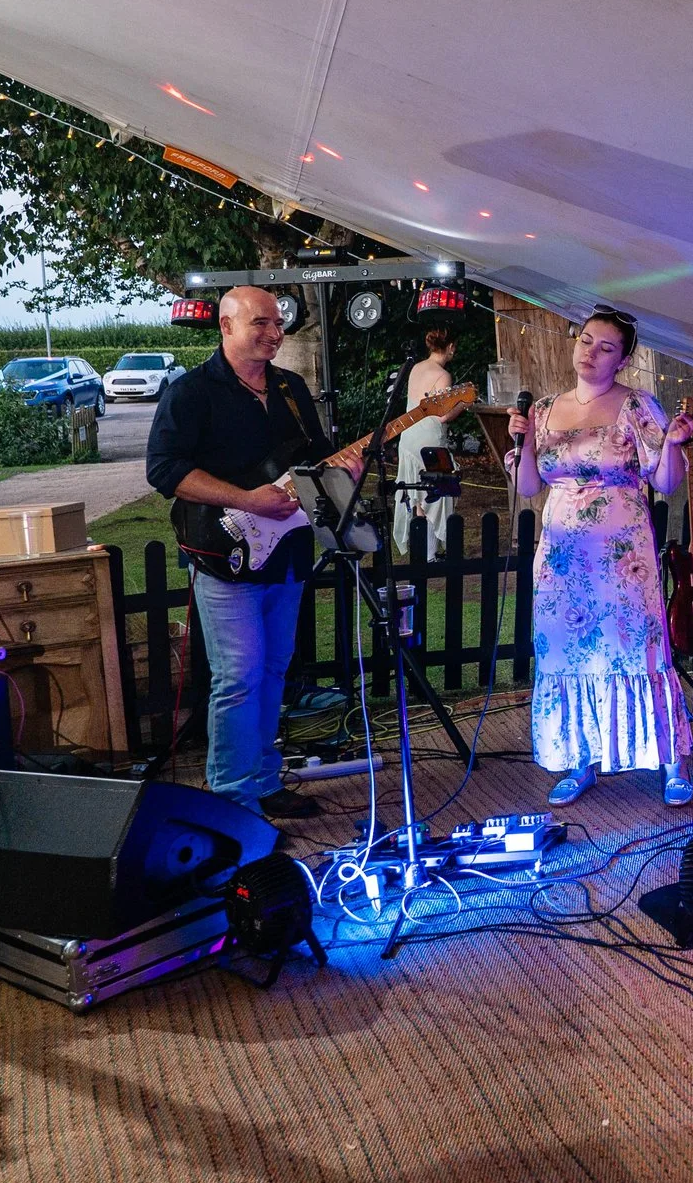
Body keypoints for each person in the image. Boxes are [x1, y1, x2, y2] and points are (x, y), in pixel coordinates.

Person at [147, 286, 361, 820]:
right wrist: (245, 499)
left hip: (285, 551)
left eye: (278, 324)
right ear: (226, 327)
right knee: (239, 674)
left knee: (272, 670)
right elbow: (164, 470)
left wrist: (344, 468)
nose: (273, 333)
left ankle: (263, 780)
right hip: (224, 555)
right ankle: (233, 799)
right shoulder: (191, 392)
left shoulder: (290, 387)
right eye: (260, 323)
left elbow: (312, 461)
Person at [505, 307, 693, 806]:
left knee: (638, 649)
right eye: (586, 340)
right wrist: (523, 442)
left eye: (605, 348)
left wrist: (675, 444)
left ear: (624, 359)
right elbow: (529, 486)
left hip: (622, 558)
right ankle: (580, 760)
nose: (589, 353)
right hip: (560, 559)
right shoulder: (545, 409)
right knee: (569, 652)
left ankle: (670, 760)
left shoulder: (639, 406)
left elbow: (667, 483)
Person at [393, 327, 460, 556]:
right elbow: (442, 415)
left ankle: (425, 552)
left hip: (409, 435)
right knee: (436, 493)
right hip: (429, 437)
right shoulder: (443, 375)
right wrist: (463, 404)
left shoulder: (417, 367)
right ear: (450, 346)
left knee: (417, 495)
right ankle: (434, 551)